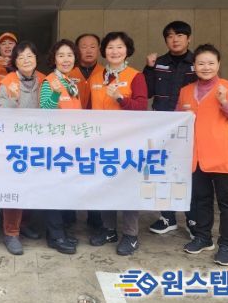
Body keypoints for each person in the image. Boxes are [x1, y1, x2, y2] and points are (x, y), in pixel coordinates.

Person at [180, 44, 228, 266]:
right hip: (197, 158)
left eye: (210, 63)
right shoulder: (185, 91)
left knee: (227, 203)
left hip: (224, 158)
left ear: (218, 64)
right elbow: (178, 122)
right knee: (201, 200)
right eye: (201, 63)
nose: (206, 67)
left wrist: (224, 102)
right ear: (194, 65)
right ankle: (203, 237)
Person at [89, 31, 147, 256]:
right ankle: (109, 230)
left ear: (127, 50)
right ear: (104, 51)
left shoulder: (136, 76)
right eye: (110, 47)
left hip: (128, 142)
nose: (115, 51)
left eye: (120, 47)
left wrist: (121, 98)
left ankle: (131, 235)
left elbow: (142, 108)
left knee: (128, 187)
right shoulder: (96, 77)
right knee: (106, 186)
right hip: (101, 143)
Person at [144, 21, 198, 237]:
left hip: (190, 129)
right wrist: (149, 68)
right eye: (170, 36)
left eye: (180, 35)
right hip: (162, 127)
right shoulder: (158, 63)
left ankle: (193, 220)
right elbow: (147, 92)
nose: (175, 39)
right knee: (163, 171)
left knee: (190, 174)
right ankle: (167, 217)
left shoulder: (198, 63)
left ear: (189, 38)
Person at [0, 41, 45, 255]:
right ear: (15, 61)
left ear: (36, 59)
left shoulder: (44, 80)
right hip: (15, 144)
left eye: (30, 56)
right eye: (21, 57)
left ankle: (24, 224)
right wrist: (13, 101)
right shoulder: (7, 81)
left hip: (38, 143)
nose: (26, 60)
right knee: (14, 187)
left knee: (32, 187)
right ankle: (11, 232)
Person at [38, 39, 81, 255]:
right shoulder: (50, 81)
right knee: (54, 190)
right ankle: (56, 236)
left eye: (70, 55)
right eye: (61, 55)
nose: (66, 59)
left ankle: (59, 231)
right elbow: (45, 109)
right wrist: (55, 93)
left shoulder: (70, 82)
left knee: (63, 190)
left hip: (70, 145)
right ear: (54, 59)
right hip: (55, 146)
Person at [66, 33, 102, 231]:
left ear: (99, 49)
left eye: (93, 46)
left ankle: (95, 218)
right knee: (71, 173)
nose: (88, 50)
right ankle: (69, 215)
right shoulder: (67, 74)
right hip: (72, 135)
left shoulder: (106, 73)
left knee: (94, 174)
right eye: (83, 47)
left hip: (98, 135)